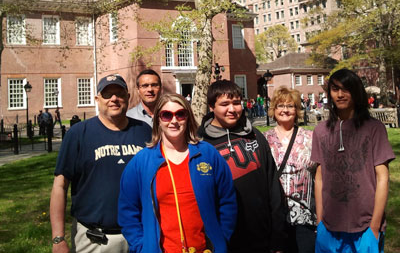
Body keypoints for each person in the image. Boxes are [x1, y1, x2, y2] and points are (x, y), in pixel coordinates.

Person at [119, 93, 237, 253]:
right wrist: (142, 247)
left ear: (188, 118)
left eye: (180, 114)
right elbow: (128, 211)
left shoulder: (207, 154)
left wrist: (221, 239)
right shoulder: (141, 162)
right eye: (166, 115)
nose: (174, 121)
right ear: (158, 120)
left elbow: (227, 200)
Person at [50, 74, 152, 253]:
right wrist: (58, 238)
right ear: (97, 99)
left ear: (128, 97)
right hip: (95, 240)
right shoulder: (78, 134)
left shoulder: (144, 131)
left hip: (141, 235)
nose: (114, 99)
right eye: (107, 94)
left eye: (119, 93)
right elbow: (60, 185)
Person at [311, 68, 395, 253]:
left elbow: (383, 177)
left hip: (365, 226)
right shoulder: (320, 131)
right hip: (329, 227)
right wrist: (320, 221)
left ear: (356, 92)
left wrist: (374, 227)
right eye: (335, 89)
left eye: (346, 89)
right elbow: (319, 177)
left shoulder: (374, 128)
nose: (340, 94)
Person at [198, 80, 287, 253]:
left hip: (262, 238)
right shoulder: (201, 145)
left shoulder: (255, 136)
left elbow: (274, 187)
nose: (232, 109)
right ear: (211, 106)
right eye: (224, 104)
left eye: (236, 103)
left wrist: (279, 237)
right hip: (224, 241)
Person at [264, 86, 317, 253]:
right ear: (274, 109)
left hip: (305, 217)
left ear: (297, 110)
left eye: (290, 106)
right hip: (275, 219)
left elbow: (322, 178)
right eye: (280, 105)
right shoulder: (264, 139)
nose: (285, 110)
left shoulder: (310, 138)